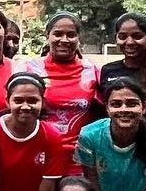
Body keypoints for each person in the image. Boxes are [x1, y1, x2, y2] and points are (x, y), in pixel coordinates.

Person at [28, 11, 98, 166]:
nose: (64, 40)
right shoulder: (30, 69)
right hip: (39, 154)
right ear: (48, 36)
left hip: (80, 158)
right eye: (58, 34)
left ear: (79, 38)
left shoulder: (92, 71)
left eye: (71, 35)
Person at [99, 12, 146, 133]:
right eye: (122, 36)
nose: (129, 42)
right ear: (116, 38)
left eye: (137, 36)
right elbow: (103, 113)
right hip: (115, 146)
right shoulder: (108, 70)